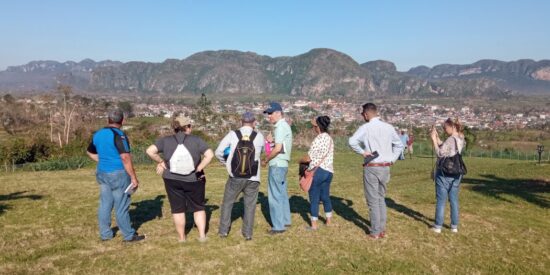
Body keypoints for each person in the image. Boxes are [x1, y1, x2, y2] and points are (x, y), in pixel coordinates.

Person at [145, 115, 214, 242]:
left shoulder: (165, 140)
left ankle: (182, 238)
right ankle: (202, 236)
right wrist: (199, 168)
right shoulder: (196, 140)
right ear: (187, 127)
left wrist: (162, 162)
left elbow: (149, 151)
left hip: (171, 179)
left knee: (177, 209)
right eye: (190, 126)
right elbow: (210, 155)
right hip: (193, 179)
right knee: (198, 207)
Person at [86, 109, 145, 242]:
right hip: (118, 174)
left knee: (105, 204)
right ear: (122, 121)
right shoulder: (119, 135)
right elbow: (125, 157)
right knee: (122, 205)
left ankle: (105, 234)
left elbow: (89, 152)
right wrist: (133, 177)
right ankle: (129, 235)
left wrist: (102, 161)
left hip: (102, 173)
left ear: (108, 120)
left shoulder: (98, 134)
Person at [348, 103, 404, 239]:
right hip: (385, 166)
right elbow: (399, 145)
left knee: (372, 200)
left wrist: (363, 152)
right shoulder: (389, 127)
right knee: (381, 199)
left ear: (366, 114)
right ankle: (381, 229)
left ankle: (375, 231)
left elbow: (352, 141)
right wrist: (392, 159)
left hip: (372, 166)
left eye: (362, 114)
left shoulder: (365, 128)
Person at [214, 112, 265, 241]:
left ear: (241, 122)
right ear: (254, 123)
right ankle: (247, 233)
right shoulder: (259, 136)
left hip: (235, 176)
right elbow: (262, 152)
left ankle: (223, 231)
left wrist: (226, 163)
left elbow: (218, 152)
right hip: (253, 177)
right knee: (250, 205)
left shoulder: (232, 135)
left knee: (227, 203)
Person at [430, 118, 466, 234]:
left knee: (441, 200)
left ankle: (438, 226)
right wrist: (438, 138)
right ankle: (454, 226)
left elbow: (440, 153)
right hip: (456, 173)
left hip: (445, 173)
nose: (445, 130)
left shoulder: (451, 139)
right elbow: (448, 149)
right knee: (454, 200)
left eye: (446, 128)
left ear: (452, 127)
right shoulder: (460, 137)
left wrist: (434, 141)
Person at [261, 102, 292, 235]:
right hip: (283, 164)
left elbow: (278, 149)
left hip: (277, 165)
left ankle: (278, 226)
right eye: (268, 114)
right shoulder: (284, 126)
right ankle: (285, 220)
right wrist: (270, 142)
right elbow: (281, 146)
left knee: (274, 195)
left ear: (279, 113)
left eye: (271, 113)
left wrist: (266, 160)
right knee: (282, 193)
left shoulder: (280, 127)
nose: (269, 117)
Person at [299, 116, 334, 230]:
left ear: (318, 127)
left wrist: (299, 160)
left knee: (314, 198)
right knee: (325, 196)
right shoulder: (329, 138)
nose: (313, 128)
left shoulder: (318, 139)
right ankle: (328, 220)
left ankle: (314, 225)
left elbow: (309, 158)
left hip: (318, 172)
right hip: (328, 171)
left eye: (314, 126)